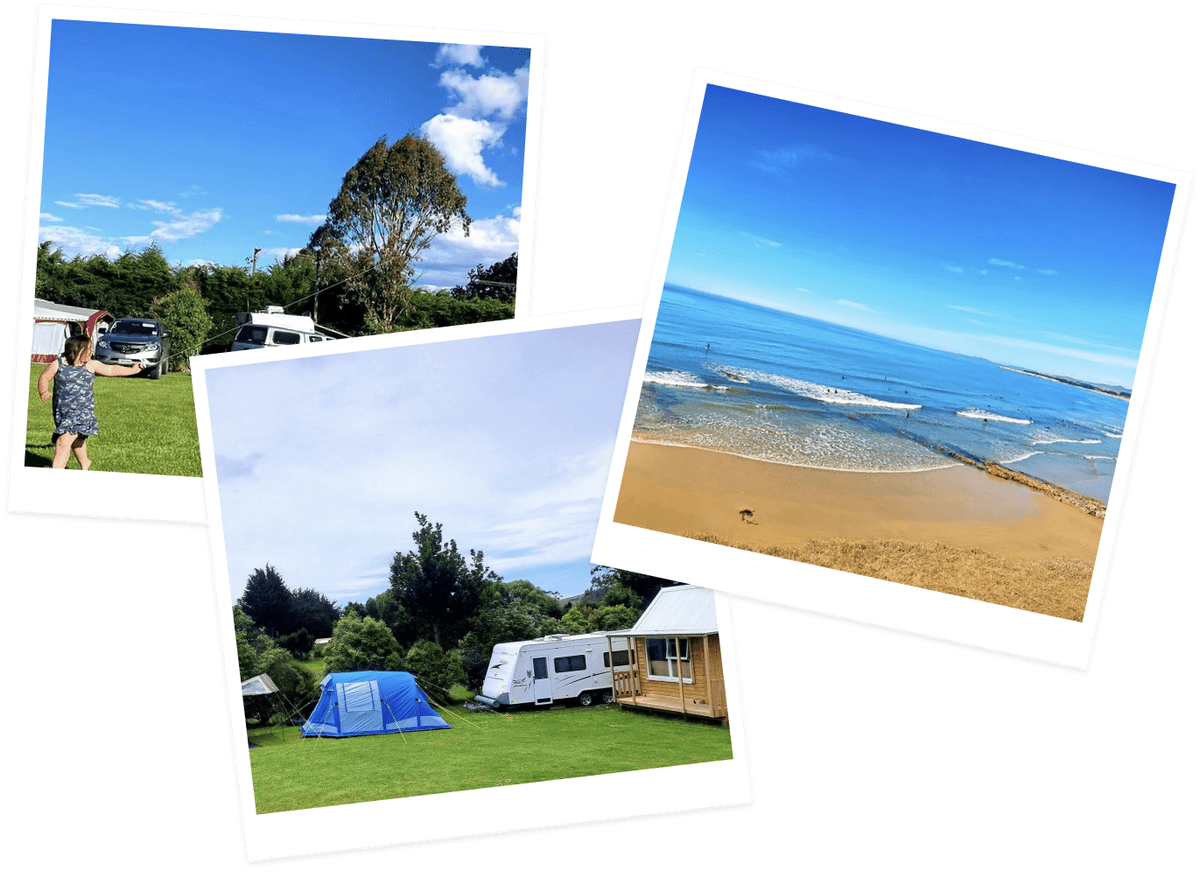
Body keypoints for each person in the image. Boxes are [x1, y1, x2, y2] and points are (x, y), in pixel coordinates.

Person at [37, 334, 143, 470]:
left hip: (82, 412)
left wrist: (133, 370)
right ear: (77, 349)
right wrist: (43, 391)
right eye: (89, 348)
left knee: (63, 442)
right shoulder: (58, 364)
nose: (92, 351)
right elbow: (44, 377)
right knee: (77, 441)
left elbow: (111, 369)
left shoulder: (91, 365)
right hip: (62, 412)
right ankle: (85, 463)